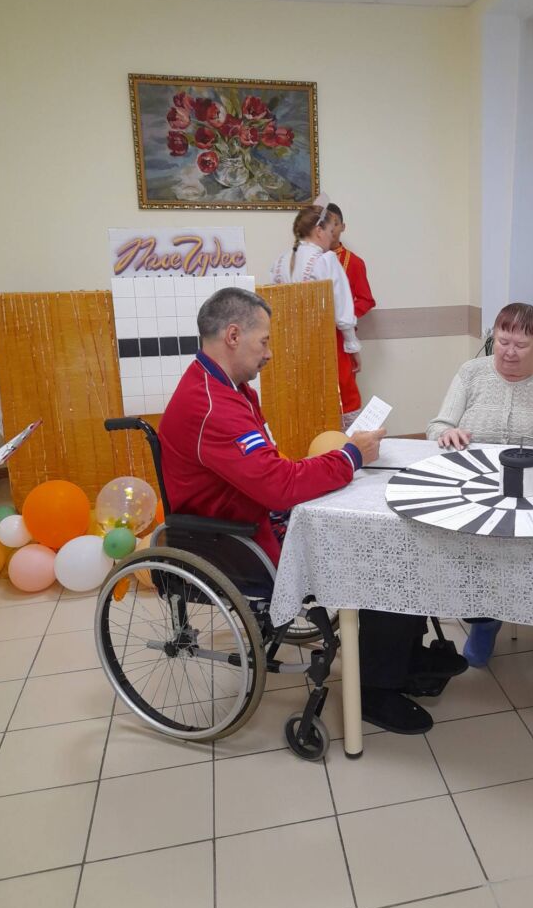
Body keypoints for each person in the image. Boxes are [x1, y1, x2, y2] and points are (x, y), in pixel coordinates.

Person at [159, 287, 460, 734]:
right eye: (264, 341)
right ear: (234, 335)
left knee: (392, 538)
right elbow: (279, 486)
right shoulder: (210, 405)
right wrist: (351, 456)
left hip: (254, 517)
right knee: (383, 556)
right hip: (236, 540)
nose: (269, 353)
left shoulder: (227, 388)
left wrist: (335, 463)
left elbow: (269, 470)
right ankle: (376, 689)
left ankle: (402, 657)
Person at [426, 302, 533, 668]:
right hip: (475, 491)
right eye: (502, 341)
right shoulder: (471, 373)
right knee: (478, 551)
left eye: (521, 345)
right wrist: (448, 434)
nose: (509, 352)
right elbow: (437, 426)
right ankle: (485, 621)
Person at [270, 204, 361, 427]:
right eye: (330, 231)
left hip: (290, 345)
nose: (332, 237)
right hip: (325, 342)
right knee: (340, 397)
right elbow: (342, 309)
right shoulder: (326, 259)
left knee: (303, 398)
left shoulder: (281, 261)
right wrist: (352, 347)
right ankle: (342, 443)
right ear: (319, 231)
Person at [326, 202, 376, 430]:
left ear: (343, 227)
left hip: (340, 339)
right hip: (313, 338)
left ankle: (351, 441)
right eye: (325, 224)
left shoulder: (353, 262)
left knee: (345, 391)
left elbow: (366, 299)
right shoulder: (308, 260)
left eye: (335, 224)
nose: (331, 229)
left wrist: (343, 313)